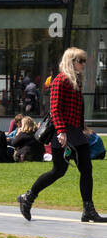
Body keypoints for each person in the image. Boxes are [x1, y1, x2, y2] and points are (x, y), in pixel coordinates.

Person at [19, 47, 106, 223]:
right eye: (80, 61)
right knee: (58, 170)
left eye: (84, 61)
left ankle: (88, 209)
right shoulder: (59, 81)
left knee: (86, 170)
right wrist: (61, 132)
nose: (83, 64)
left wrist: (83, 127)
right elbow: (55, 109)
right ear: (71, 61)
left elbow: (76, 108)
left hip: (75, 132)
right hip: (64, 132)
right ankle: (28, 197)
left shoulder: (76, 82)